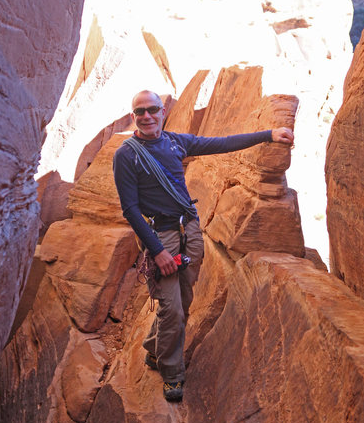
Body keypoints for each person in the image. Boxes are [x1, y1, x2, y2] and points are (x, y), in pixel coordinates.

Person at [113, 90, 294, 402]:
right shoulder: (126, 155)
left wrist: (269, 134)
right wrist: (157, 251)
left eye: (152, 109)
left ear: (161, 111)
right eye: (139, 112)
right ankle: (172, 374)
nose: (146, 116)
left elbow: (221, 144)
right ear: (133, 117)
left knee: (181, 303)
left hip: (189, 231)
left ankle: (155, 350)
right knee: (172, 308)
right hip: (162, 237)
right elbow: (130, 209)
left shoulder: (175, 142)